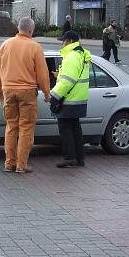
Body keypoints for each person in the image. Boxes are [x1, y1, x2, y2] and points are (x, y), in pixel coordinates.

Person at [0, 17, 51, 174]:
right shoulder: (35, 47)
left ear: (18, 28)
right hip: (27, 91)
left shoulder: (5, 44)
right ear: (31, 30)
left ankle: (9, 163)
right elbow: (42, 74)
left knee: (11, 126)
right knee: (26, 127)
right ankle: (21, 164)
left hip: (8, 90)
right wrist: (47, 92)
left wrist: (0, 90)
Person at [50, 30, 91, 168]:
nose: (62, 43)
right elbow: (71, 76)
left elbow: (68, 81)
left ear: (70, 41)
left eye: (64, 40)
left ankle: (69, 158)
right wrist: (58, 75)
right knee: (75, 129)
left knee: (65, 129)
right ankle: (79, 158)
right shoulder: (79, 54)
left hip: (70, 99)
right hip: (78, 98)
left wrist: (53, 96)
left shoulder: (72, 56)